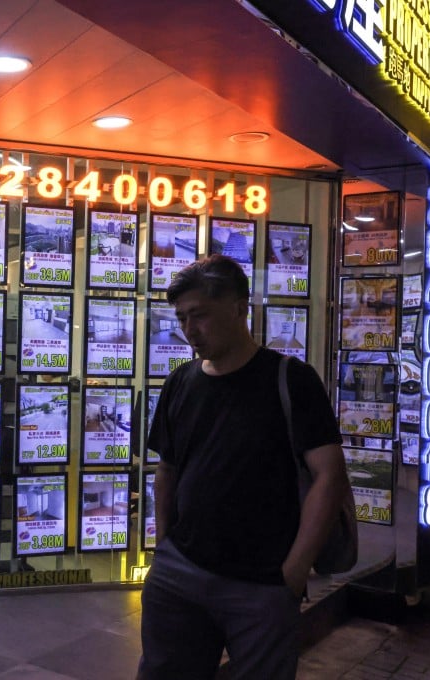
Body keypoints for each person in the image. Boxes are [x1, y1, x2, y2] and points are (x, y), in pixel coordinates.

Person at [137, 255, 349, 679]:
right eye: (181, 318)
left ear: (238, 308)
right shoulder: (180, 382)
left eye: (199, 316)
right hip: (180, 573)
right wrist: (164, 549)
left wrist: (293, 572)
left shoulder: (291, 380)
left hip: (262, 584)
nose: (189, 331)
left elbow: (330, 475)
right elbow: (167, 470)